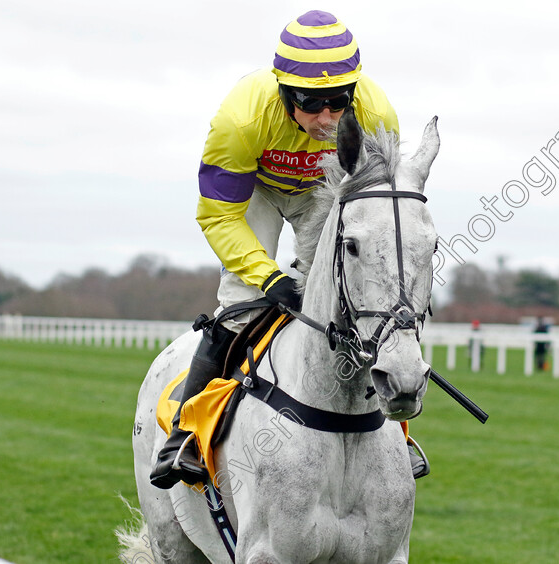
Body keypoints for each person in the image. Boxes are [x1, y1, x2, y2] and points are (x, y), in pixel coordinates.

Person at [150, 10, 425, 490]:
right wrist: (268, 277)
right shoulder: (240, 119)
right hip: (254, 191)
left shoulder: (377, 114)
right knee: (240, 303)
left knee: (349, 305)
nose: (326, 118)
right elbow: (218, 215)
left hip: (327, 190)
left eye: (339, 103)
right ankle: (187, 435)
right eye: (311, 103)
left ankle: (394, 434)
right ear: (283, 91)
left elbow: (377, 211)